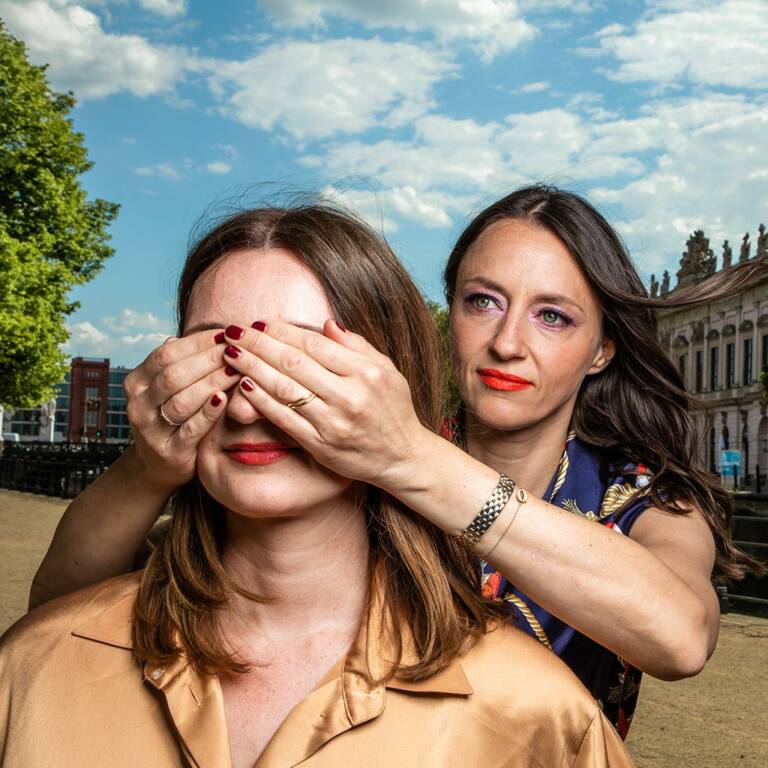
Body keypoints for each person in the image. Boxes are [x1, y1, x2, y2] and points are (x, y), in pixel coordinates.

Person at [28, 186, 766, 738]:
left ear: (604, 347)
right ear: (444, 315)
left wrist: (408, 456)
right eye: (481, 302)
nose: (509, 343)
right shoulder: (347, 460)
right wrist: (149, 463)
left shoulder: (646, 498)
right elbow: (68, 612)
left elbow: (679, 637)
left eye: (553, 315)